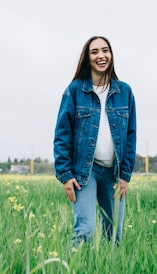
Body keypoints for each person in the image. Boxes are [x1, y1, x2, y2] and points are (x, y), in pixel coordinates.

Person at [53, 36, 137, 247]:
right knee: (85, 231)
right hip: (84, 172)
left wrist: (125, 175)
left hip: (114, 174)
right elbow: (62, 135)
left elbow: (130, 136)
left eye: (105, 50)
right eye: (94, 52)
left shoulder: (124, 92)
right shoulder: (74, 91)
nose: (101, 55)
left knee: (114, 235)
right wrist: (65, 175)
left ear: (111, 55)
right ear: (87, 58)